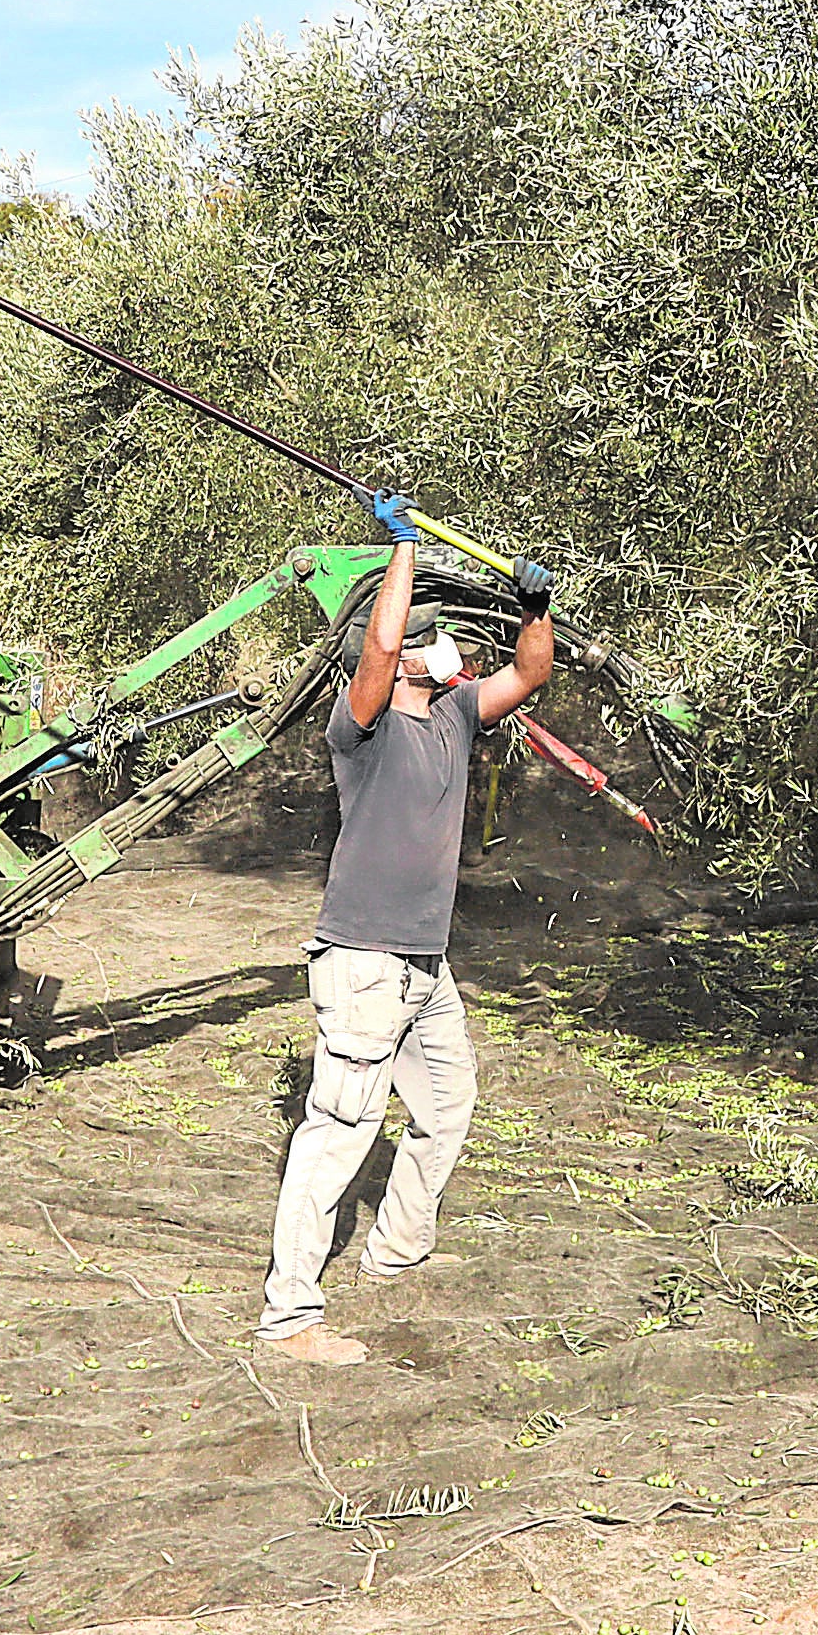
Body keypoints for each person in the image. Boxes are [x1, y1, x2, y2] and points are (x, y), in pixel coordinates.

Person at [255, 494, 558, 1366]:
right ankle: (290, 1317)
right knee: (339, 1129)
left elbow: (531, 676)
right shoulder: (363, 730)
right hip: (362, 961)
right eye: (433, 634)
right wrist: (404, 553)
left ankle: (396, 1250)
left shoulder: (457, 718)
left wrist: (536, 611)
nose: (447, 642)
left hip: (426, 965)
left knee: (448, 1104)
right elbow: (382, 645)